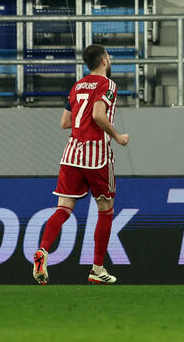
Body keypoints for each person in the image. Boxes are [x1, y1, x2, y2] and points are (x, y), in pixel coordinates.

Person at [32, 44, 130, 285]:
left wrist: (81, 121)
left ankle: (43, 250)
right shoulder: (108, 85)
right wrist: (117, 136)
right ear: (104, 60)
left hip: (72, 153)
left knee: (63, 208)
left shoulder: (77, 86)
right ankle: (97, 269)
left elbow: (65, 122)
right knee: (105, 209)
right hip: (96, 155)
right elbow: (98, 114)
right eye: (108, 56)